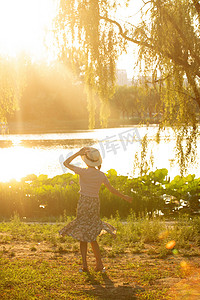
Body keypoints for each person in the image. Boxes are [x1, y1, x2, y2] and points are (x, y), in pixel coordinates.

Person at [59, 147, 132, 273]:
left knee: (83, 234)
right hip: (94, 204)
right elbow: (112, 190)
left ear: (86, 161)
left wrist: (77, 153)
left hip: (83, 203)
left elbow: (65, 163)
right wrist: (124, 196)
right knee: (92, 236)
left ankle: (85, 266)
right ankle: (99, 264)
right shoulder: (101, 175)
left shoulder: (82, 171)